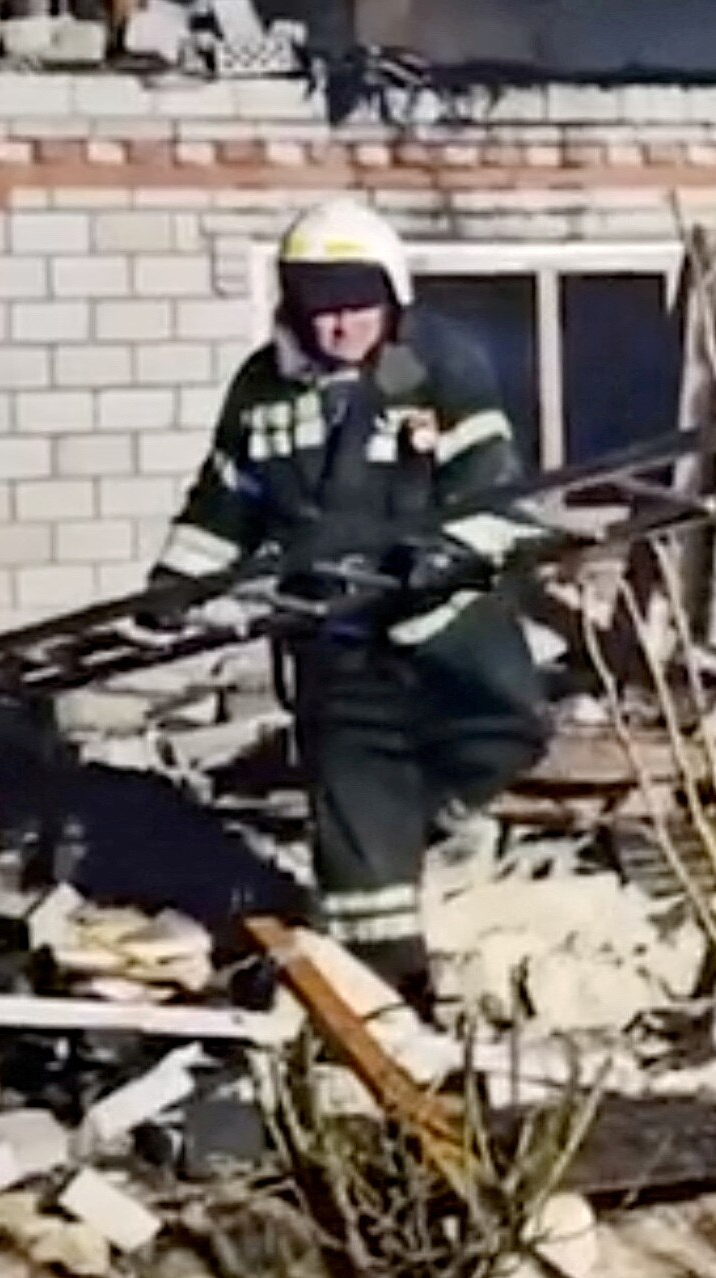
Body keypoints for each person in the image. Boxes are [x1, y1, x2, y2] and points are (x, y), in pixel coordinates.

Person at [150, 198, 550, 1002]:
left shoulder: (440, 364)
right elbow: (224, 499)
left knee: (511, 731)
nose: (339, 330)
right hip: (331, 632)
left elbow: (487, 479)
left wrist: (441, 560)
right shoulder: (261, 389)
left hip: (447, 619)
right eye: (320, 312)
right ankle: (386, 986)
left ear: (393, 299)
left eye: (356, 310)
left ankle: (418, 818)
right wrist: (178, 580)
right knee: (357, 809)